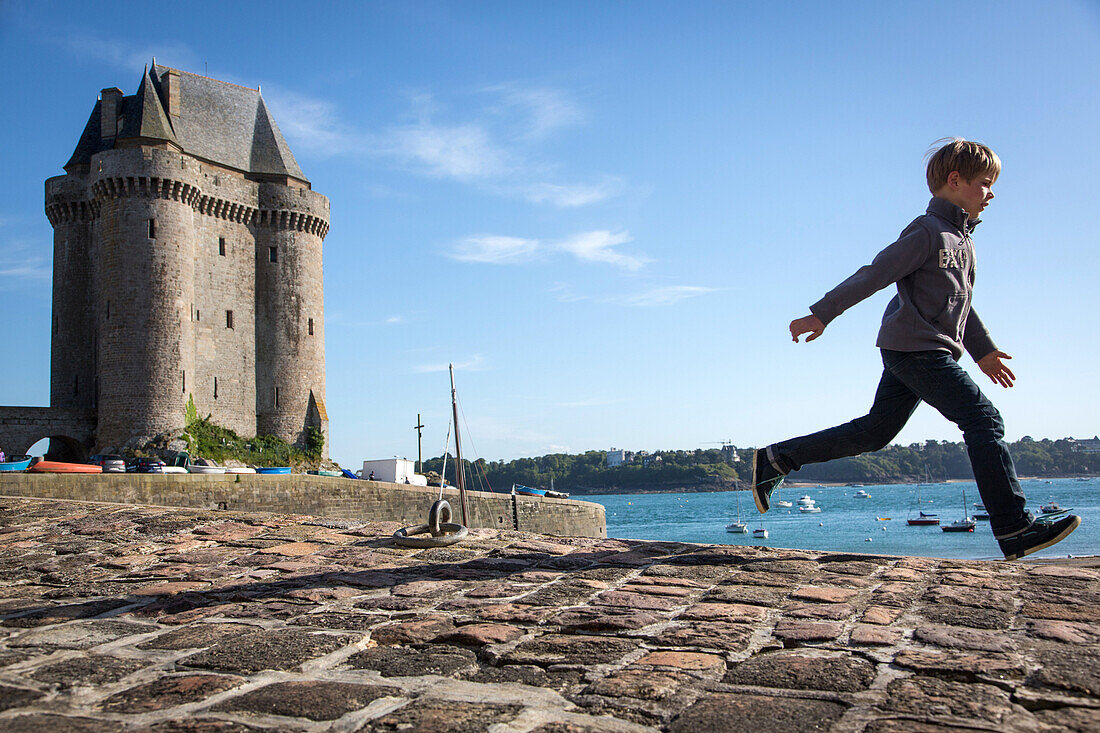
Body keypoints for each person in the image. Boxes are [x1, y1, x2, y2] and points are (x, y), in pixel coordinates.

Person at [750, 138, 1080, 561]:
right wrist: (822, 313)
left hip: (922, 349)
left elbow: (962, 304)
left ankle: (777, 459)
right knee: (984, 419)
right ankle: (1015, 528)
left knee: (875, 431)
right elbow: (874, 273)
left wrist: (984, 351)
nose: (991, 193)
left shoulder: (964, 241)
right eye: (985, 183)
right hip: (916, 351)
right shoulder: (926, 232)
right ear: (955, 181)